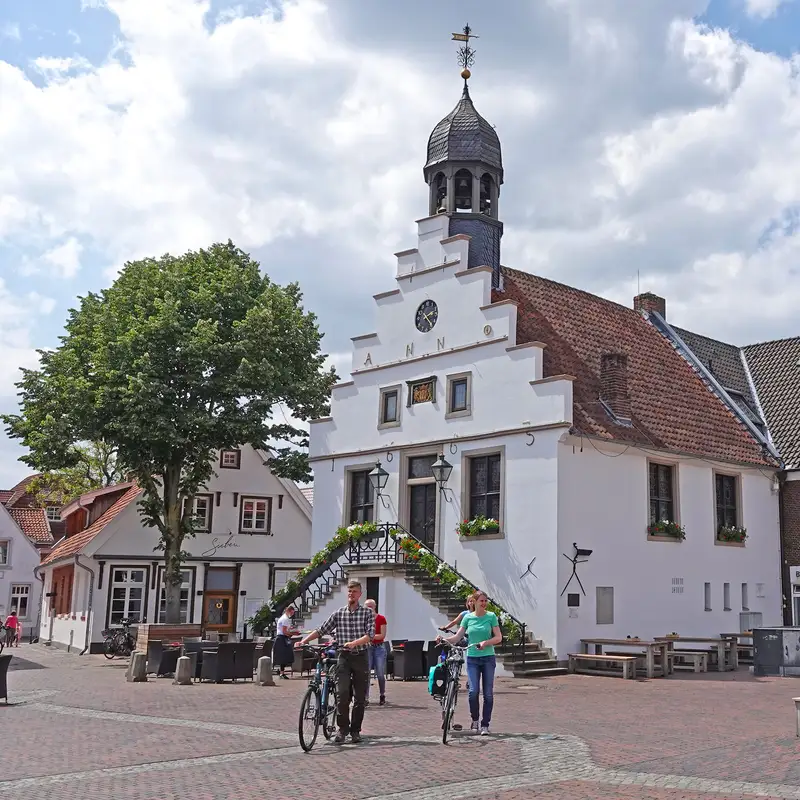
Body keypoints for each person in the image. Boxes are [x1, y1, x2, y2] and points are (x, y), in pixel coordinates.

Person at [296, 579, 375, 744]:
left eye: (354, 592)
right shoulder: (339, 613)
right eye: (349, 592)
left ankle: (355, 731)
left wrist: (354, 643)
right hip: (343, 657)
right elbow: (321, 629)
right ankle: (342, 729)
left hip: (360, 656)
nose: (351, 594)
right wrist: (303, 641)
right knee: (341, 694)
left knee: (360, 698)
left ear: (360, 594)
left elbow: (370, 635)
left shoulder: (367, 613)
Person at [438, 590, 502, 736]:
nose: (484, 603)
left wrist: (486, 642)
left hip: (488, 658)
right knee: (473, 692)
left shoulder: (491, 617)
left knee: (488, 694)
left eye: (486, 601)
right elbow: (457, 637)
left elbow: (498, 637)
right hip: (472, 658)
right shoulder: (468, 618)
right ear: (474, 601)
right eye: (481, 601)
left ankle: (485, 724)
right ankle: (475, 719)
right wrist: (443, 640)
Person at [363, 598, 387, 707]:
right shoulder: (363, 619)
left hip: (379, 648)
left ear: (374, 607)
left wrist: (368, 637)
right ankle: (365, 697)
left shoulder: (381, 618)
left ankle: (382, 694)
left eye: (370, 607)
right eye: (366, 607)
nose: (368, 609)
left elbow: (382, 635)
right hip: (367, 647)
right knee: (366, 673)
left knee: (380, 673)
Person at [273, 605, 298, 679]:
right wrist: (293, 633)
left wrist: (292, 631)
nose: (292, 614)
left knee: (285, 656)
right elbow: (284, 631)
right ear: (288, 611)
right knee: (284, 656)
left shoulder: (284, 618)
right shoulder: (285, 619)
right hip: (282, 638)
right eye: (292, 613)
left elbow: (286, 630)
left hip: (282, 638)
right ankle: (281, 673)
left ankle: (282, 672)